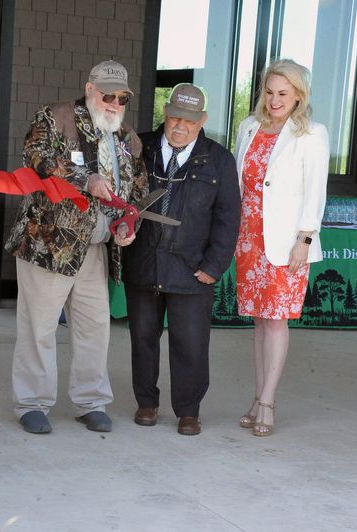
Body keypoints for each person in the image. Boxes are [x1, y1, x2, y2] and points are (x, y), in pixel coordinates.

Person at [5, 59, 148, 434]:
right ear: (89, 89)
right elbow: (35, 159)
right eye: (107, 95)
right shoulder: (55, 117)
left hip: (96, 249)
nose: (114, 103)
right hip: (49, 244)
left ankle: (91, 401)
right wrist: (86, 179)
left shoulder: (128, 138)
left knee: (95, 328)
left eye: (122, 98)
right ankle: (32, 403)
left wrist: (127, 225)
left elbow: (138, 194)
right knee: (39, 327)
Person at [122, 83, 240, 435]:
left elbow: (229, 217)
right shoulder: (137, 148)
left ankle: (189, 410)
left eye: (189, 121)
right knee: (142, 337)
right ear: (165, 113)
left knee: (190, 342)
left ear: (202, 120)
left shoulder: (219, 159)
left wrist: (215, 265)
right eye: (174, 117)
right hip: (143, 262)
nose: (179, 126)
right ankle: (146, 403)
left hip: (192, 270)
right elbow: (119, 197)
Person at [233, 59, 329, 437]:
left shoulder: (311, 133)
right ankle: (258, 398)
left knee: (276, 320)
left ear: (298, 96)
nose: (274, 100)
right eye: (270, 92)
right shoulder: (248, 126)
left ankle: (269, 403)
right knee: (259, 321)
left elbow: (315, 191)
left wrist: (305, 239)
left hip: (288, 242)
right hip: (249, 239)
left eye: (283, 94)